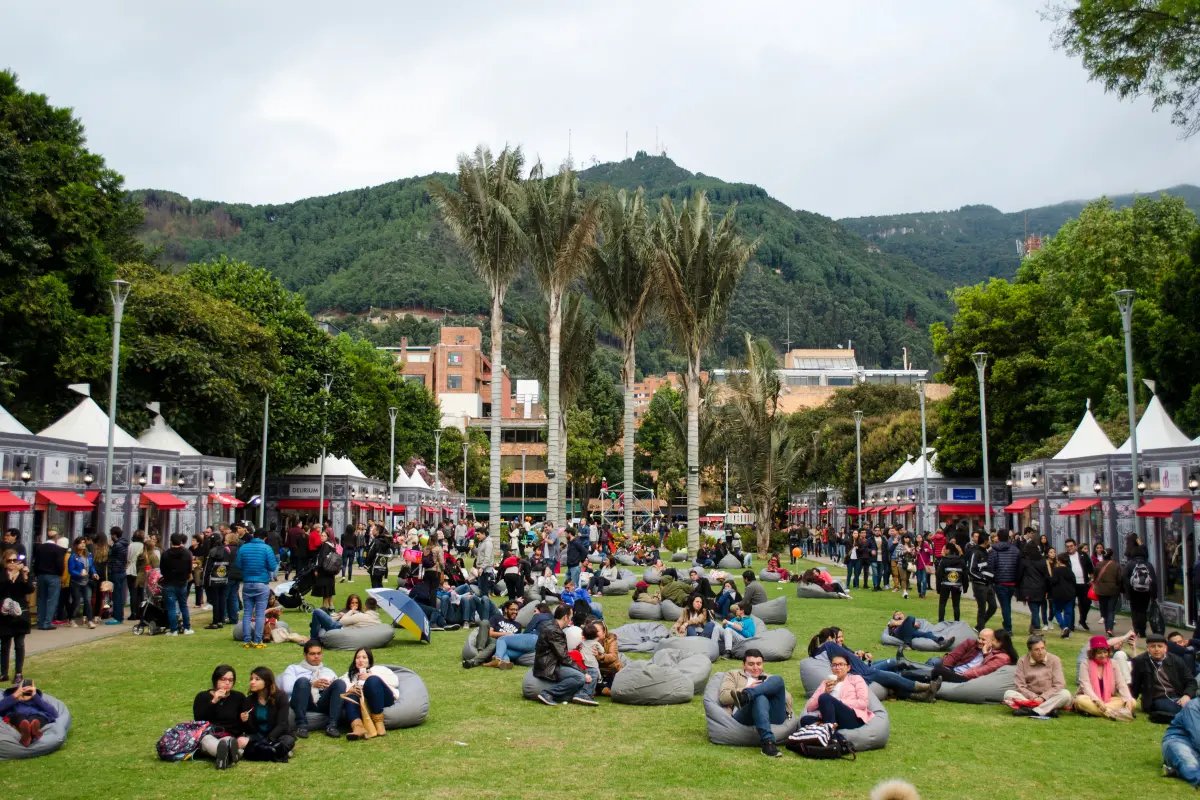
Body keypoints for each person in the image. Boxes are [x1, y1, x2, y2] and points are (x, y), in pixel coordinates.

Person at [809, 627, 937, 702]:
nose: (840, 640)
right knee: (890, 675)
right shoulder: (830, 646)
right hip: (860, 672)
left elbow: (848, 657)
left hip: (860, 670)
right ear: (830, 638)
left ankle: (921, 694)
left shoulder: (818, 653)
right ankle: (925, 687)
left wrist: (862, 655)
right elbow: (849, 659)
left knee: (888, 678)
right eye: (837, 638)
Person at [718, 649, 792, 757]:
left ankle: (747, 696)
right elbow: (724, 697)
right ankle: (768, 743)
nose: (756, 668)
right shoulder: (733, 675)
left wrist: (764, 689)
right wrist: (747, 688)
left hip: (772, 714)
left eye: (759, 664)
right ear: (744, 665)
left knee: (778, 680)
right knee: (760, 698)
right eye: (751, 664)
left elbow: (788, 699)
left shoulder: (770, 679)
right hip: (745, 714)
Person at [278, 640, 346, 739]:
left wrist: (328, 686)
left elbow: (339, 691)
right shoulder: (294, 669)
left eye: (319, 653)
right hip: (302, 700)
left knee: (339, 683)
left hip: (322, 701)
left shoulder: (328, 671)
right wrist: (312, 684)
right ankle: (301, 726)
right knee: (303, 681)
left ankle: (332, 726)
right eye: (312, 654)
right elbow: (287, 688)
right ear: (305, 655)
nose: (316, 656)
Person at [1131, 632, 1196, 722]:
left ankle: (1181, 715)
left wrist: (1187, 695)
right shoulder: (1140, 661)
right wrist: (1130, 702)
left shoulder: (1175, 659)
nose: (1156, 649)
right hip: (1156, 699)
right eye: (1153, 646)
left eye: (1160, 646)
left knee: (1192, 705)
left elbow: (1191, 681)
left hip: (1178, 695)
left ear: (1165, 648)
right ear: (1147, 648)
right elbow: (1135, 686)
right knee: (1178, 708)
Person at [801, 652, 874, 731]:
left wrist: (838, 702)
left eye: (841, 664)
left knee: (825, 698)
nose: (837, 667)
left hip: (852, 717)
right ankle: (829, 727)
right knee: (805, 720)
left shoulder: (856, 679)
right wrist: (825, 691)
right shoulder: (826, 683)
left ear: (848, 668)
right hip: (832, 719)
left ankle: (828, 730)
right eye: (834, 665)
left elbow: (863, 703)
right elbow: (809, 707)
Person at [1002, 635, 1072, 719]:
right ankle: (1048, 710)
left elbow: (1059, 684)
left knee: (1065, 694)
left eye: (1043, 648)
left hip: (1050, 697)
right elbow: (1020, 686)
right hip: (1030, 698)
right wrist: (1034, 697)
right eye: (1036, 649)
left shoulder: (1055, 660)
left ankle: (1031, 711)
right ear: (1030, 651)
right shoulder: (1022, 661)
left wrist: (1043, 697)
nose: (1041, 652)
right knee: (1008, 694)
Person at [531, 605, 589, 706]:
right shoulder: (555, 631)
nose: (571, 621)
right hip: (549, 667)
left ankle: (579, 694)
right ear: (565, 617)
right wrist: (583, 672)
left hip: (546, 663)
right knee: (579, 678)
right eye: (570, 617)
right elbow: (564, 657)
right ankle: (548, 693)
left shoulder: (548, 625)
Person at [193, 665, 248, 769]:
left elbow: (241, 726)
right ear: (215, 680)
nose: (227, 683)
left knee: (227, 742)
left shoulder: (238, 697)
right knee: (209, 741)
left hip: (228, 735)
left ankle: (224, 758)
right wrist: (214, 701)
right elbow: (199, 719)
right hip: (208, 734)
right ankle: (232, 754)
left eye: (230, 680)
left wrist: (244, 719)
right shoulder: (202, 697)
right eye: (223, 679)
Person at [337, 647, 399, 740]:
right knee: (351, 694)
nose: (360, 660)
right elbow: (339, 686)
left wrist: (371, 676)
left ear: (369, 661)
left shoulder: (379, 669)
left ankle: (379, 724)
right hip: (364, 704)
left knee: (372, 681)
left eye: (364, 657)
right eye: (358, 657)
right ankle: (358, 728)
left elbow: (395, 681)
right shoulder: (350, 675)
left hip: (383, 699)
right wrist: (352, 688)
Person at [922, 628, 1017, 686]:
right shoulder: (971, 643)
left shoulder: (995, 654)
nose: (979, 641)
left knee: (937, 671)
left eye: (983, 639)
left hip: (966, 676)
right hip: (954, 669)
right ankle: (920, 678)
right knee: (934, 661)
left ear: (991, 641)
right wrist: (946, 668)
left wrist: (985, 653)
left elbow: (984, 669)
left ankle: (921, 680)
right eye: (979, 638)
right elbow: (954, 655)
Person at [1074, 635, 1135, 720]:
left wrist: (1127, 699)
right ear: (1092, 653)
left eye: (1105, 652)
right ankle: (1115, 713)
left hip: (1108, 699)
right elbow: (1086, 686)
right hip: (1090, 698)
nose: (1103, 655)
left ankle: (1098, 711)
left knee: (1132, 701)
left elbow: (1121, 684)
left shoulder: (1113, 663)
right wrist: (1097, 701)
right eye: (1099, 653)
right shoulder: (1085, 664)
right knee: (1080, 700)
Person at [235, 528, 278, 648]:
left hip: (247, 583)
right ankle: (258, 640)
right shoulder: (267, 548)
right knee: (260, 614)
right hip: (262, 583)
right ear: (265, 538)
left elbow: (238, 564)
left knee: (247, 613)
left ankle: (247, 640)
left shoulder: (244, 547)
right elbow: (272, 566)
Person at [239, 666, 294, 759]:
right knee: (241, 741)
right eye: (251, 679)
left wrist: (268, 739)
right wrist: (245, 720)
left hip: (277, 735)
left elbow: (282, 724)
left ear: (267, 682)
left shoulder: (280, 697)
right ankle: (275, 752)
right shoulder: (248, 701)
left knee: (288, 741)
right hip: (258, 735)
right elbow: (249, 730)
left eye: (257, 679)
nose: (252, 682)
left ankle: (261, 751)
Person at [0, 549, 34, 683]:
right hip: (5, 612)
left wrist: (25, 577)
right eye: (10, 560)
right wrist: (10, 578)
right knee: (4, 644)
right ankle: (4, 672)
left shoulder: (23, 573)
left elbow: (30, 589)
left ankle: (18, 673)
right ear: (4, 561)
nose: (13, 563)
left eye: (15, 560)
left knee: (19, 644)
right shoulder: (2, 575)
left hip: (21, 612)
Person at [0, 680, 58, 749]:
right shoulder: (11, 702)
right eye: (22, 692)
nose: (25, 694)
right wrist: (15, 696)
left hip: (35, 715)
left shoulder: (35, 701)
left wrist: (35, 696)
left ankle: (32, 731)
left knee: (36, 718)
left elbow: (54, 713)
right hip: (17, 716)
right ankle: (27, 731)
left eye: (28, 692)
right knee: (18, 717)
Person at [482, 601, 538, 670]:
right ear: (506, 610)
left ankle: (498, 660)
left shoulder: (518, 625)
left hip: (511, 649)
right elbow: (490, 633)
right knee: (503, 646)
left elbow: (517, 643)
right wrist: (505, 634)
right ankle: (505, 662)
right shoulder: (496, 618)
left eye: (516, 610)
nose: (515, 612)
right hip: (496, 645)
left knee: (505, 650)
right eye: (512, 609)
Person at [159, 533, 195, 636]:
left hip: (169, 583)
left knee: (171, 607)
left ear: (171, 542)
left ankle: (173, 630)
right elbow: (189, 569)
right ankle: (187, 628)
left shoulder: (165, 554)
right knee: (183, 606)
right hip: (182, 583)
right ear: (181, 542)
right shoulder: (187, 553)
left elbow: (162, 569)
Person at [986, 529, 1020, 634]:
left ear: (998, 537)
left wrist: (991, 580)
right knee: (1007, 604)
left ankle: (1008, 628)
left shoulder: (994, 550)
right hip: (1012, 581)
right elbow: (1019, 565)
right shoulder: (1015, 550)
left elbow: (991, 566)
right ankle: (1007, 625)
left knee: (1005, 604)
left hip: (1000, 581)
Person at [32, 530, 67, 631]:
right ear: (56, 538)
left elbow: (35, 562)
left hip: (41, 575)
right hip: (54, 576)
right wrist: (60, 574)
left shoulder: (39, 548)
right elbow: (60, 564)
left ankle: (40, 622)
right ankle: (47, 623)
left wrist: (36, 573)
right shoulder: (58, 549)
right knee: (52, 600)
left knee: (41, 599)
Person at [1122, 542, 1158, 638]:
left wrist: (1128, 589)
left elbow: (1124, 577)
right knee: (1143, 610)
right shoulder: (1148, 564)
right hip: (1146, 592)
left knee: (1134, 609)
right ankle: (1142, 630)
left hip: (1133, 591)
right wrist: (1154, 595)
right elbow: (1153, 581)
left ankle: (1136, 628)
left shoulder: (1129, 564)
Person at [309, 594, 381, 639]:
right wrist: (340, 615)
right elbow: (332, 617)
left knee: (317, 611)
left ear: (364, 606)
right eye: (352, 603)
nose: (354, 605)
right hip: (337, 623)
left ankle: (313, 639)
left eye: (356, 603)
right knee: (323, 610)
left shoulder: (360, 614)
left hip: (339, 627)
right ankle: (317, 625)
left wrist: (351, 612)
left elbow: (342, 621)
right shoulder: (376, 620)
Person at [1017, 541, 1050, 634]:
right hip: (1041, 588)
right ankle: (1033, 627)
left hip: (1029, 588)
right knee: (1036, 608)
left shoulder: (1025, 561)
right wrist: (1048, 588)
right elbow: (1047, 576)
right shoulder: (1042, 561)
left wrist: (1018, 586)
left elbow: (1019, 574)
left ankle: (1037, 628)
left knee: (1034, 609)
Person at [66, 537, 98, 629]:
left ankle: (90, 621)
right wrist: (79, 573)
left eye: (84, 542)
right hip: (76, 582)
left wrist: (94, 573)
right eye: (80, 543)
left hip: (86, 581)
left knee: (87, 600)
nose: (83, 544)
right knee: (76, 601)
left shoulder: (89, 555)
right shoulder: (73, 556)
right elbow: (70, 570)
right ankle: (71, 619)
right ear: (76, 545)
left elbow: (91, 566)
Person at [887, 611, 951, 657]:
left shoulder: (908, 620)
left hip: (910, 632)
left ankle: (941, 641)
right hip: (899, 632)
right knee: (910, 618)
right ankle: (907, 644)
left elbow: (917, 625)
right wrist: (906, 621)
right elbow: (894, 623)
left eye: (900, 614)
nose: (899, 615)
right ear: (894, 617)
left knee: (926, 634)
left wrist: (909, 622)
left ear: (903, 615)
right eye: (896, 614)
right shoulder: (892, 620)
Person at [1062, 539, 1094, 631]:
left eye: (1071, 546)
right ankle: (1070, 625)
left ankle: (1082, 620)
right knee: (1070, 605)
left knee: (1086, 603)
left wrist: (1092, 579)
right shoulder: (1064, 557)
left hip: (1083, 583)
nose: (1069, 548)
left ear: (1075, 546)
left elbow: (1090, 568)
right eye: (1067, 546)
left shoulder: (1083, 555)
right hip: (1071, 585)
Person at [1092, 548, 1122, 636]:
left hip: (1101, 590)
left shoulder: (1098, 565)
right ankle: (1110, 628)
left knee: (1104, 609)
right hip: (1113, 590)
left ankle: (1107, 627)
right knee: (1111, 610)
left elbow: (1095, 577)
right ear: (1112, 556)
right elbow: (1119, 578)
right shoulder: (1116, 565)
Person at [1048, 551, 1077, 638]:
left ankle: (1063, 626)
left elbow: (1053, 581)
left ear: (1059, 561)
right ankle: (1067, 632)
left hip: (1058, 594)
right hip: (1069, 594)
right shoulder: (1070, 571)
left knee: (1057, 610)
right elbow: (1073, 582)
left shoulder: (1056, 570)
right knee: (1068, 612)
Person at [104, 528, 129, 625]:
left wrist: (110, 547)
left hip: (116, 571)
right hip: (122, 570)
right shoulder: (124, 544)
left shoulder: (117, 545)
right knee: (119, 595)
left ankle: (118, 617)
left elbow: (109, 555)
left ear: (114, 535)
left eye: (111, 535)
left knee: (116, 596)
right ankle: (118, 615)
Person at [311, 529, 338, 611]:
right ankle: (331, 606)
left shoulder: (325, 545)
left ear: (328, 537)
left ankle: (324, 607)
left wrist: (317, 569)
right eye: (321, 535)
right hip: (330, 570)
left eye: (324, 536)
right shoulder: (331, 545)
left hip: (324, 570)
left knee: (325, 590)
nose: (322, 537)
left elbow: (322, 558)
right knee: (328, 589)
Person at [474, 529, 495, 598]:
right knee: (482, 588)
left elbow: (487, 557)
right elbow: (479, 554)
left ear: (483, 534)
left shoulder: (488, 543)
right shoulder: (482, 542)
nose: (477, 536)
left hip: (485, 569)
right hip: (481, 568)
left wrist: (482, 568)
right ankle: (483, 602)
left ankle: (485, 602)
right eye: (477, 534)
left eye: (479, 534)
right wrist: (472, 548)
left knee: (484, 589)